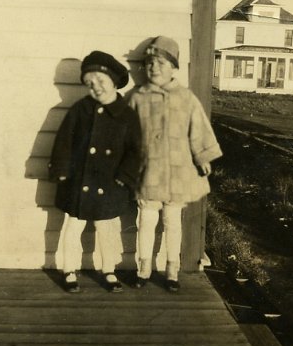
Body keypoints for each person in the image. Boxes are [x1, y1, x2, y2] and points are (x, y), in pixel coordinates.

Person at [129, 36, 222, 292]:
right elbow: (126, 135)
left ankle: (172, 269)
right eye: (149, 63)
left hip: (179, 171)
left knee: (173, 220)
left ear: (173, 67)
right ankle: (144, 268)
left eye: (160, 63)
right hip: (148, 171)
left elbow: (198, 129)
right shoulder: (137, 98)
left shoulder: (185, 98)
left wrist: (202, 156)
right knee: (146, 219)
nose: (154, 68)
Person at [48, 51, 141, 293]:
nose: (96, 87)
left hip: (111, 183)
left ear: (114, 80)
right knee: (73, 225)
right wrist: (61, 169)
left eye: (101, 81)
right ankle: (69, 269)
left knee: (107, 227)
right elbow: (63, 142)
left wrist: (125, 176)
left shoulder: (127, 115)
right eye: (90, 83)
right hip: (79, 181)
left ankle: (108, 269)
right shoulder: (80, 110)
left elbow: (136, 150)